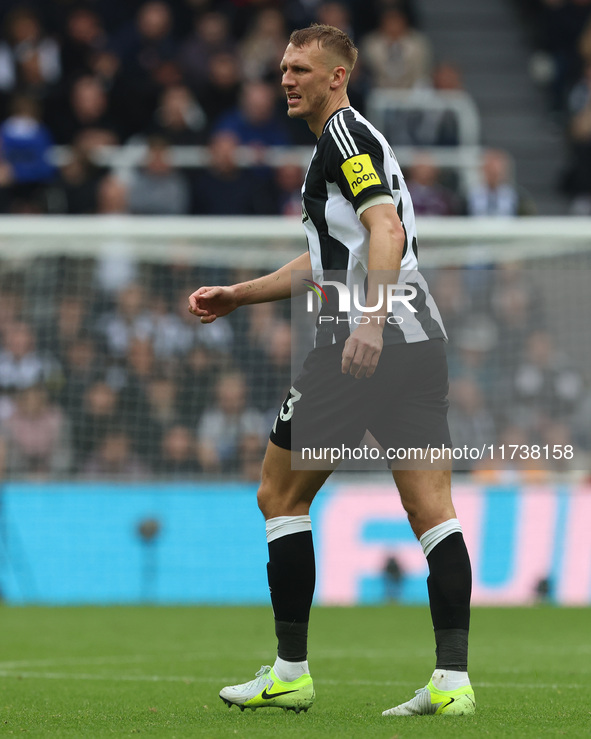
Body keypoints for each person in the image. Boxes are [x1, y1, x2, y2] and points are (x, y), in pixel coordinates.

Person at [188, 24, 474, 718]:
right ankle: (452, 680)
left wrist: (368, 322)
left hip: (359, 342)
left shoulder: (343, 138)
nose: (285, 78)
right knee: (432, 512)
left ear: (336, 76)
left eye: (300, 69)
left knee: (278, 496)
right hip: (421, 338)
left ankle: (289, 671)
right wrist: (238, 294)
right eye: (283, 67)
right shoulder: (351, 143)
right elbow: (328, 260)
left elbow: (386, 231)